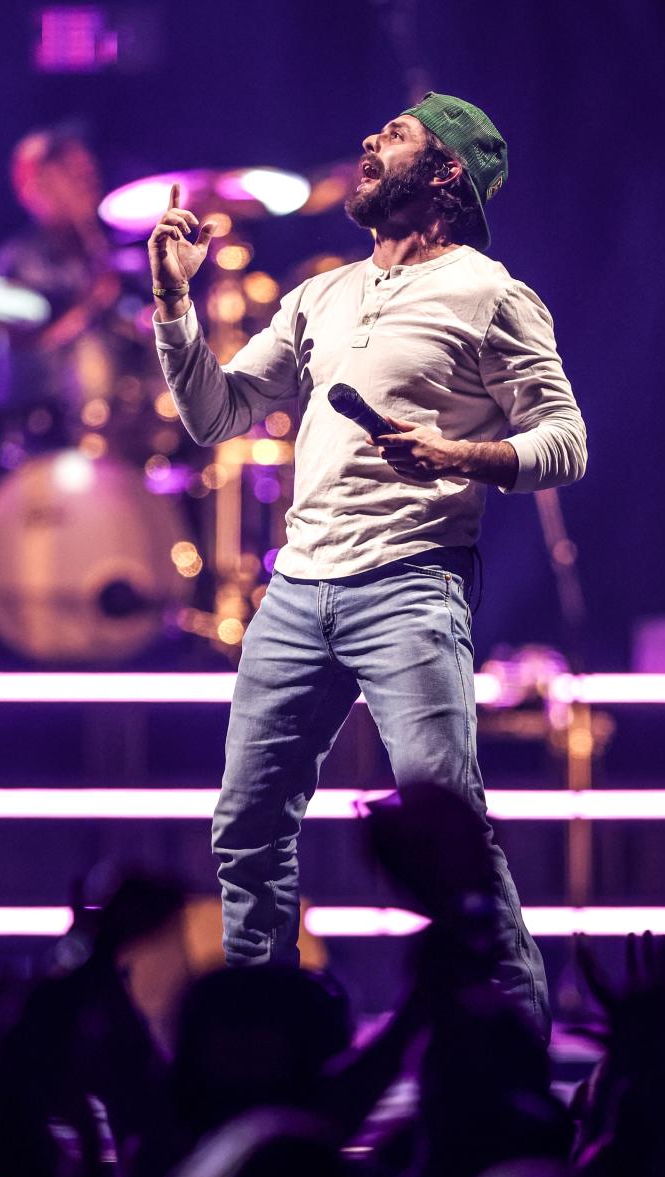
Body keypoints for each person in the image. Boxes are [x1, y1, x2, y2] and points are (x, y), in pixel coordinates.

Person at [148, 91, 587, 1039]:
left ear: (447, 174)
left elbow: (566, 441)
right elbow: (216, 415)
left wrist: (465, 455)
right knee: (248, 826)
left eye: (393, 136)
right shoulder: (321, 296)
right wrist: (174, 302)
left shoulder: (490, 293)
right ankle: (258, 1053)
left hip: (411, 587)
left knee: (451, 836)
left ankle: (512, 1057)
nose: (367, 143)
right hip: (297, 591)